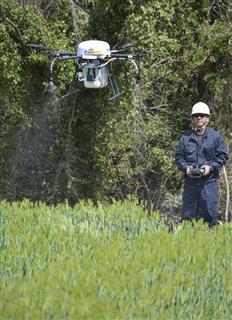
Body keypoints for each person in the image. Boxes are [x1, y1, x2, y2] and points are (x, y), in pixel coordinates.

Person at [175, 102, 228, 227]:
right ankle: (189, 242)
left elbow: (223, 156)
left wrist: (210, 167)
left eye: (202, 115)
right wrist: (186, 167)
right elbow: (179, 157)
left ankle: (208, 243)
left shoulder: (216, 138)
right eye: (196, 115)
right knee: (188, 216)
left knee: (209, 215)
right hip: (190, 183)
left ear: (207, 118)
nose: (199, 118)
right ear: (192, 118)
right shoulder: (185, 138)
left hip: (209, 182)